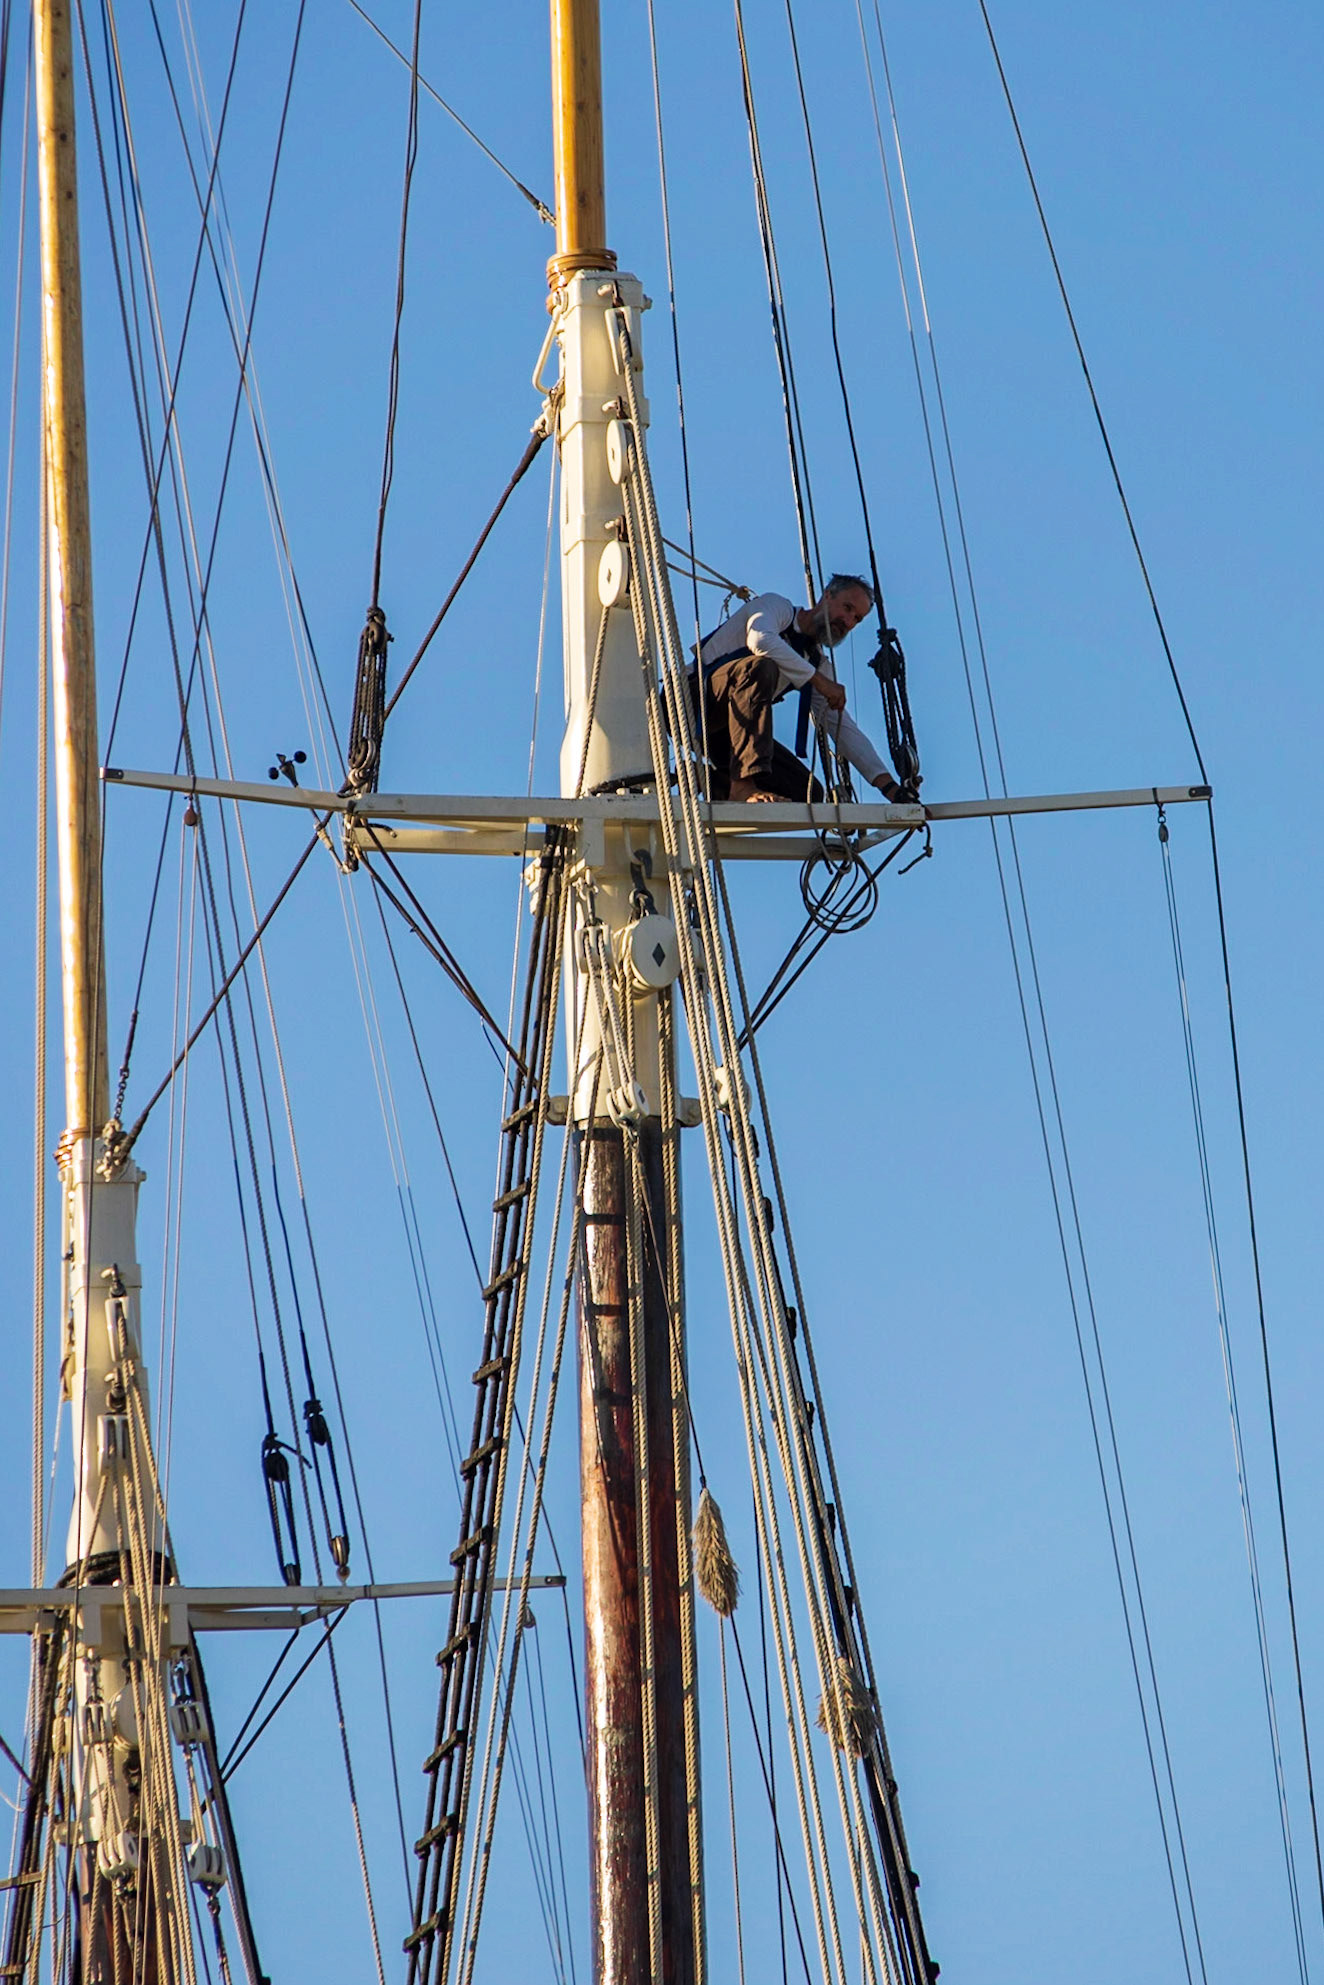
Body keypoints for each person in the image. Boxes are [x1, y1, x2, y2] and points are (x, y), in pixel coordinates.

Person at [690, 575, 909, 802]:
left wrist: (889, 787)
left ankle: (705, 779)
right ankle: (742, 786)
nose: (848, 621)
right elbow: (760, 641)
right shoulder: (777, 607)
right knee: (759, 666)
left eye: (857, 619)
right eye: (847, 607)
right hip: (691, 702)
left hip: (727, 733)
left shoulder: (816, 661)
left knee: (808, 795)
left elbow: (841, 727)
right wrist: (819, 682)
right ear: (826, 596)